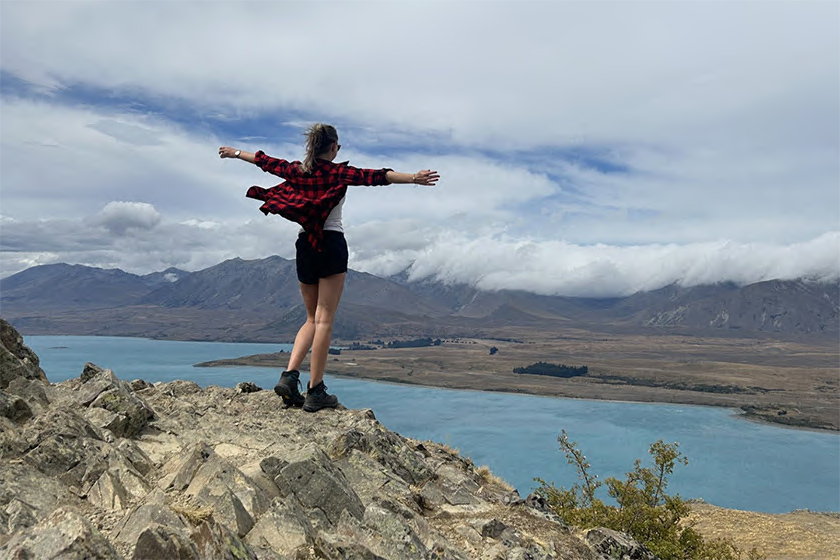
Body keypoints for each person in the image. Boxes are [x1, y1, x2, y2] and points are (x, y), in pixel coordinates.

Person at [219, 123, 439, 412]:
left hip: (304, 247)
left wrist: (234, 153)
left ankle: (289, 376)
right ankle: (315, 391)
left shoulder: (295, 170)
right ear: (333, 147)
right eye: (338, 146)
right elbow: (377, 177)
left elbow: (263, 160)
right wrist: (414, 178)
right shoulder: (338, 172)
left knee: (310, 318)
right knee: (324, 321)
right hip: (331, 245)